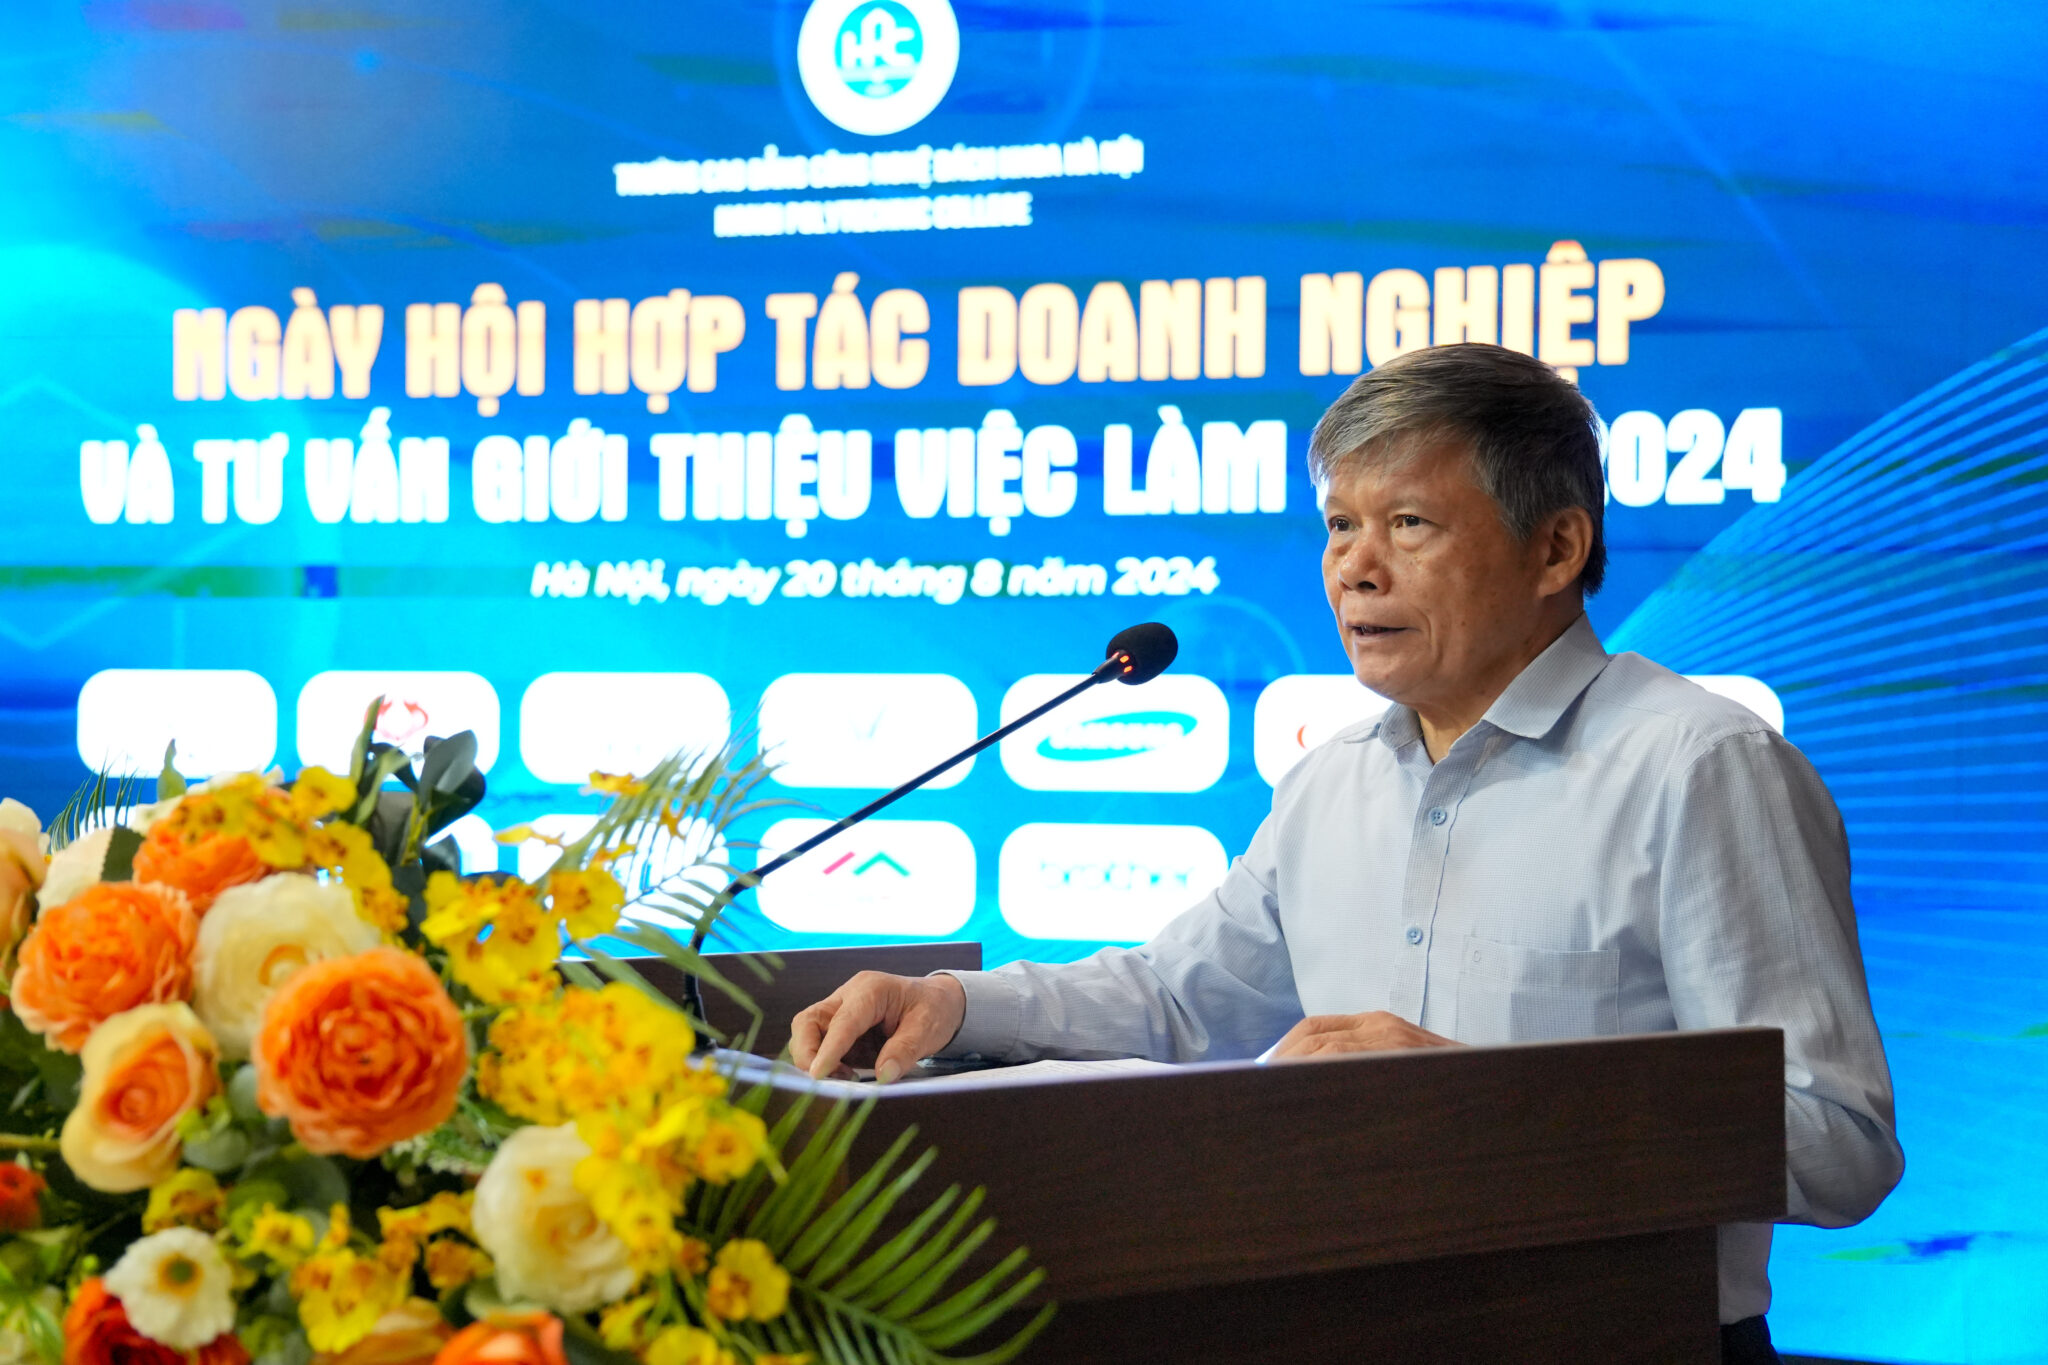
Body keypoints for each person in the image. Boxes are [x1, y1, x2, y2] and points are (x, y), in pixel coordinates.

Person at [789, 342, 1903, 1365]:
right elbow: (1174, 1002)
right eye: (1337, 526)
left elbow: (1839, 1142)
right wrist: (949, 1004)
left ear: (1556, 548)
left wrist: (1485, 1103)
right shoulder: (1331, 782)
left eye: (1408, 524)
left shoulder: (1698, 767)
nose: (1355, 570)